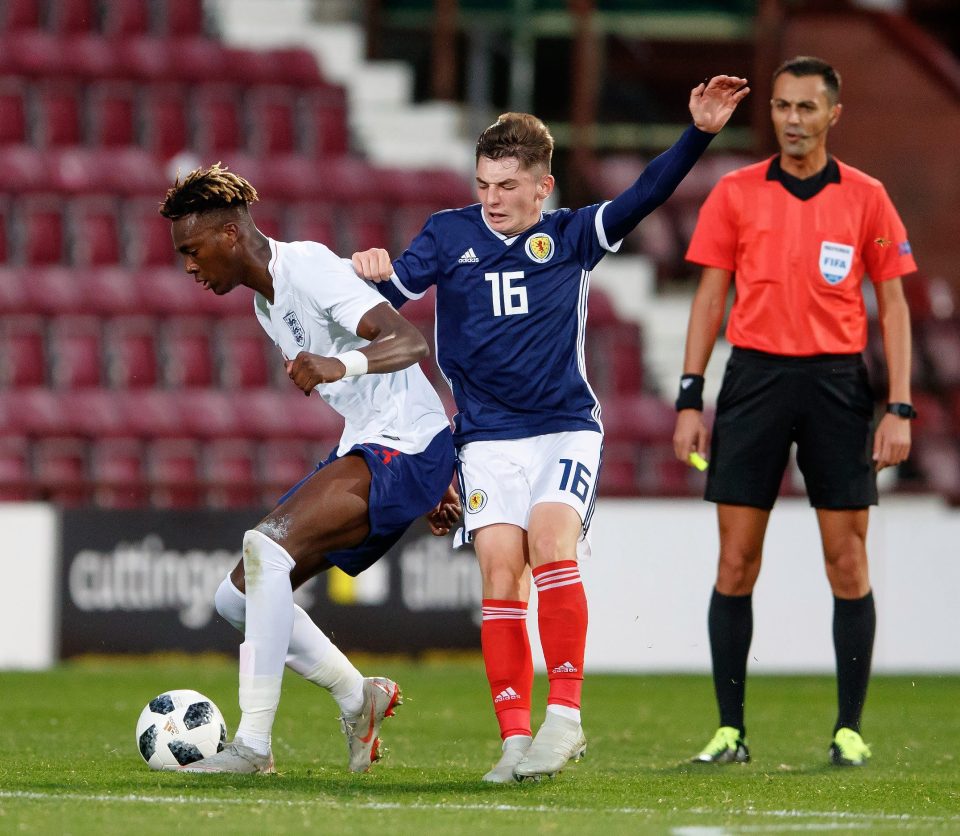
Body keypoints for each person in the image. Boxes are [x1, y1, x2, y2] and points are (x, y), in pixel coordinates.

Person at [352, 75, 750, 782]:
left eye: (507, 186)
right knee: (500, 573)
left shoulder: (570, 237)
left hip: (563, 429)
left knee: (549, 540)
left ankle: (564, 718)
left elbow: (646, 195)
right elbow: (379, 298)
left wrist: (699, 134)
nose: (492, 199)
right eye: (483, 184)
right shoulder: (449, 234)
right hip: (484, 438)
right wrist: (369, 271)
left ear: (543, 187)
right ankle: (514, 740)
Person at [158, 163, 460, 774]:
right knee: (234, 599)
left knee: (264, 550)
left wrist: (336, 364)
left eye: (192, 250)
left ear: (229, 236)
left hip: (406, 445)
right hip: (384, 447)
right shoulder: (267, 308)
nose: (189, 266)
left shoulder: (310, 269)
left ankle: (253, 747)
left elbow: (406, 341)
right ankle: (358, 696)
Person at [673, 56, 917, 768]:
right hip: (753, 380)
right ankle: (730, 731)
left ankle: (848, 729)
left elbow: (894, 304)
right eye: (782, 106)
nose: (793, 120)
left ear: (833, 115)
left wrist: (897, 406)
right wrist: (692, 394)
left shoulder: (867, 197)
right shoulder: (735, 191)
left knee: (847, 560)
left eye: (807, 108)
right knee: (735, 560)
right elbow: (709, 297)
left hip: (839, 386)